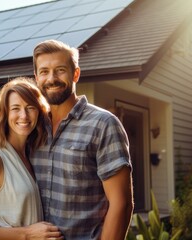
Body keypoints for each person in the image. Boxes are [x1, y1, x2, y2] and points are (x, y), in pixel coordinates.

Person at [31, 39, 134, 239]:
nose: (52, 79)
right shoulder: (32, 127)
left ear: (75, 73)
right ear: (36, 77)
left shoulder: (103, 124)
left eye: (60, 70)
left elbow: (121, 203)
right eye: (44, 72)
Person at [0, 77, 64, 240]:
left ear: (39, 111)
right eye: (16, 108)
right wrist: (27, 234)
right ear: (5, 113)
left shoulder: (32, 154)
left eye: (30, 107)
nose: (24, 115)